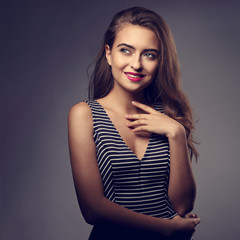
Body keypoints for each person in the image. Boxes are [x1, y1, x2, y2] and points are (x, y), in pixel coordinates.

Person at [68, 6, 200, 240]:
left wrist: (176, 133)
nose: (136, 64)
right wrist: (165, 227)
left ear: (160, 61)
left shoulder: (169, 117)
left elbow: (182, 206)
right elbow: (92, 209)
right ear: (109, 54)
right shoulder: (84, 115)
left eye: (149, 54)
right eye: (126, 51)